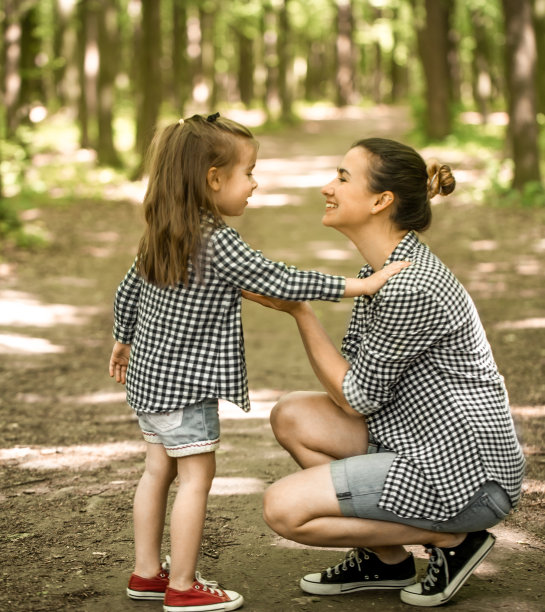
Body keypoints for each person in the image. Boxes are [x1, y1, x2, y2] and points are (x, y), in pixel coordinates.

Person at [108, 115, 408, 612]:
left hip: (149, 384)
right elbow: (280, 280)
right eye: (249, 172)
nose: (255, 183)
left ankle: (146, 573)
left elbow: (127, 291)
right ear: (213, 178)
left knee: (155, 471)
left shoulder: (160, 231)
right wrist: (362, 285)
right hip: (186, 390)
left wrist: (123, 340)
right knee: (197, 478)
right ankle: (182, 585)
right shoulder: (217, 241)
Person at [243, 137, 526, 607]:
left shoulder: (409, 287)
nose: (326, 187)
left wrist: (302, 313)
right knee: (291, 415)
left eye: (342, 177)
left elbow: (354, 398)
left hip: (464, 474)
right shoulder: (384, 269)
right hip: (417, 440)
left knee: (285, 510)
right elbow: (351, 382)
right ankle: (385, 558)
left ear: (381, 201)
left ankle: (455, 541)